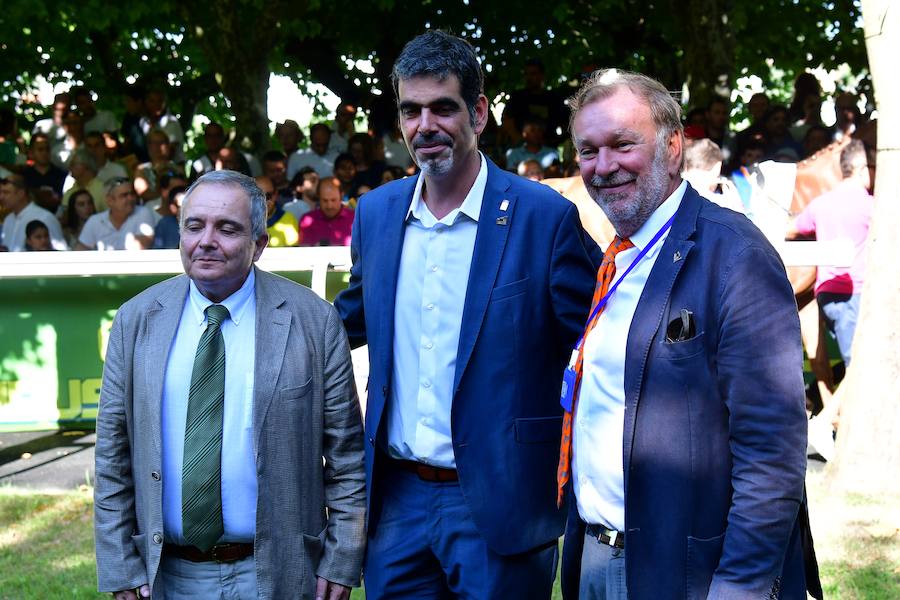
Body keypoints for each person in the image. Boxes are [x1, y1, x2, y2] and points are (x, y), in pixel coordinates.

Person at [333, 30, 598, 598]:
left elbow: (600, 343)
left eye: (442, 108)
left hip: (502, 505)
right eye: (411, 111)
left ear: (478, 112)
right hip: (397, 505)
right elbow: (345, 319)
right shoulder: (376, 215)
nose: (424, 126)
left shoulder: (543, 218)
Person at [559, 68, 818, 599]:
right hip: (593, 558)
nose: (603, 166)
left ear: (674, 145)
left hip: (686, 576)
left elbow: (772, 451)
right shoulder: (614, 259)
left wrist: (741, 586)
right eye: (588, 150)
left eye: (622, 144)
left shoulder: (735, 256)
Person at [94, 169, 366, 599]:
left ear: (259, 245)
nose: (206, 241)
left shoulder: (314, 322)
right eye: (194, 225)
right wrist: (120, 565)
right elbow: (113, 455)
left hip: (279, 573)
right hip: (168, 576)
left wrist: (342, 556)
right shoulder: (136, 320)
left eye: (227, 228)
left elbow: (347, 457)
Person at [788, 140, 873, 366]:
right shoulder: (871, 206)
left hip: (826, 296)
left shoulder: (820, 204)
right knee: (858, 366)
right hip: (854, 294)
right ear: (862, 169)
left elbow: (792, 228)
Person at [76, 177, 155, 251]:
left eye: (132, 194)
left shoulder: (143, 213)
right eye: (124, 195)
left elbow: (143, 244)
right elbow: (80, 250)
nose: (131, 198)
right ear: (110, 200)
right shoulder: (95, 221)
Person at [0, 173, 68, 251]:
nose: (1, 197)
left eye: (6, 193)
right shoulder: (8, 219)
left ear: (21, 193)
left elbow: (61, 252)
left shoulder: (45, 218)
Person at [298, 177, 354, 247]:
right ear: (318, 197)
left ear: (341, 196)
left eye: (333, 200)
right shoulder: (307, 220)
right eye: (325, 200)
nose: (329, 206)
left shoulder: (355, 219)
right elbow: (303, 253)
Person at [258, 175, 299, 247]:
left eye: (268, 196)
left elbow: (293, 253)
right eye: (257, 196)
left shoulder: (288, 220)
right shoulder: (242, 220)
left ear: (275, 195)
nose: (263, 201)